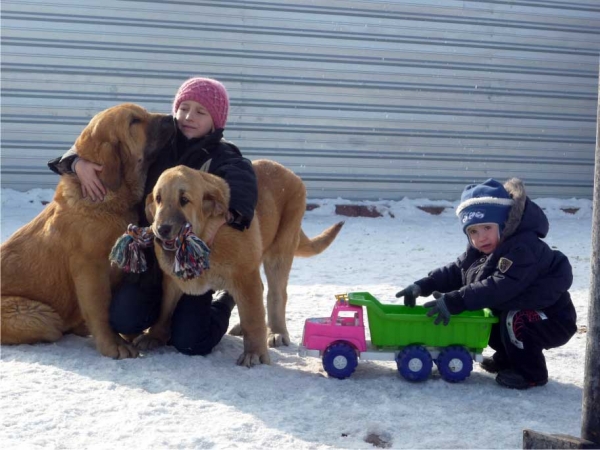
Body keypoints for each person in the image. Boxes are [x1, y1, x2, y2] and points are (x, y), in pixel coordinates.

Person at [48, 77, 258, 356]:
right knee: (123, 321)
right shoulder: (161, 141)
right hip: (150, 260)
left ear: (216, 121)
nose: (188, 117)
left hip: (191, 266)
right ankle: (160, 316)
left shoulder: (222, 155)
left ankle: (224, 301)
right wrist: (77, 162)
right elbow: (103, 134)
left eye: (200, 111)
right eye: (184, 107)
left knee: (191, 342)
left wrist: (230, 214)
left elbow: (242, 177)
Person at [395, 178, 577, 389]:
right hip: (522, 309)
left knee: (513, 318)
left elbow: (499, 286)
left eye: (487, 227)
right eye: (473, 231)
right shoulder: (483, 249)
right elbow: (456, 271)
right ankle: (510, 358)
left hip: (551, 317)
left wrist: (456, 300)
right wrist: (424, 285)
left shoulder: (523, 249)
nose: (480, 238)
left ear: (505, 224)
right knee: (489, 317)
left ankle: (531, 373)